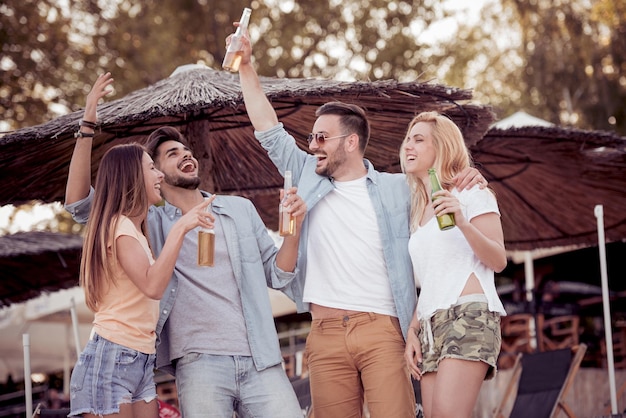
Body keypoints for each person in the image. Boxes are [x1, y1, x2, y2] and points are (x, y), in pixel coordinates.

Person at [232, 30, 489, 418]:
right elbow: (268, 129)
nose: (313, 144)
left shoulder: (398, 189)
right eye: (311, 137)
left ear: (350, 142)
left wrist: (472, 177)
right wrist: (247, 67)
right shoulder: (306, 174)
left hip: (383, 330)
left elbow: (441, 175)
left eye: (322, 137)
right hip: (324, 332)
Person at [65, 73, 307, 418]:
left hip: (261, 358)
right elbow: (78, 206)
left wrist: (292, 230)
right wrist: (87, 124)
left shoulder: (239, 210)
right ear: (156, 175)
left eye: (187, 150)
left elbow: (278, 275)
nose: (185, 155)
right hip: (198, 363)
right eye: (171, 154)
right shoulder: (151, 223)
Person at [65, 79, 214, 417]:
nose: (159, 176)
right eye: (152, 169)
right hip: (112, 356)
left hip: (140, 358)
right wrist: (88, 123)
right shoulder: (116, 225)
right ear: (133, 177)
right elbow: (152, 285)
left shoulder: (137, 228)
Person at [400, 112, 507, 418]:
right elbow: (434, 278)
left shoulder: (472, 193)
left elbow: (498, 259)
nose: (409, 145)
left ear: (442, 146)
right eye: (408, 138)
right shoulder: (418, 212)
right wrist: (413, 329)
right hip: (431, 325)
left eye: (419, 139)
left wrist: (462, 221)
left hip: (469, 313)